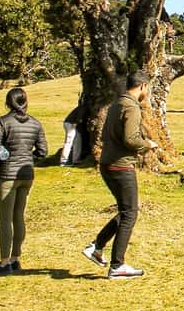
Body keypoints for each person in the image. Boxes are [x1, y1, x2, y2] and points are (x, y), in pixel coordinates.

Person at [82, 70, 159, 279]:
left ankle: (97, 247)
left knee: (127, 210)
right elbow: (131, 139)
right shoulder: (132, 107)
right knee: (130, 214)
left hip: (107, 163)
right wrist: (148, 144)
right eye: (148, 88)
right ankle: (117, 265)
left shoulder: (117, 103)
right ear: (143, 86)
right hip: (121, 165)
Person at [0, 87, 47, 275]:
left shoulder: (2, 122)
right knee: (19, 216)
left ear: (7, 102)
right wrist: (28, 160)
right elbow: (43, 151)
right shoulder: (35, 124)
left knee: (5, 219)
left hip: (7, 175)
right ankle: (16, 258)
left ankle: (4, 263)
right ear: (25, 102)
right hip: (26, 175)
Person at [59, 101, 90, 166]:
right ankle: (63, 161)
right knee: (69, 142)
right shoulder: (84, 108)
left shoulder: (83, 107)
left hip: (73, 124)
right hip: (71, 124)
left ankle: (75, 160)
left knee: (77, 142)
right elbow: (79, 120)